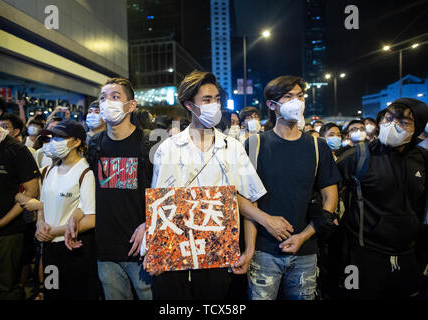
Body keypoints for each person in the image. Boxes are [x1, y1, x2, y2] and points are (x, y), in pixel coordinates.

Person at [144, 70, 294, 300]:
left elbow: (248, 198)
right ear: (189, 105)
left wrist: (249, 249)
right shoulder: (168, 148)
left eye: (216, 99)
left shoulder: (232, 147)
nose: (214, 105)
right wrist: (153, 250)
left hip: (219, 255)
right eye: (206, 100)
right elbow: (161, 204)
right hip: (175, 257)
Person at [246, 75, 341, 300]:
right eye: (288, 97)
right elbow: (244, 198)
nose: (296, 102)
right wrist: (262, 228)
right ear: (271, 104)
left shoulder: (318, 147)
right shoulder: (254, 144)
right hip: (264, 251)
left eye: (300, 96)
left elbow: (331, 199)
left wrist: (303, 236)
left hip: (306, 251)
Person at [336, 98, 428, 299]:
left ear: (418, 127)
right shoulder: (357, 156)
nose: (393, 125)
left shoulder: (423, 159)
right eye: (389, 117)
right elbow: (326, 191)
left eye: (404, 122)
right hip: (361, 256)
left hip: (408, 255)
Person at [87, 77, 153, 300]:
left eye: (115, 97)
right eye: (103, 98)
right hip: (106, 249)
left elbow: (164, 191)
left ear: (131, 105)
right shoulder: (94, 144)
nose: (107, 103)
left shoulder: (149, 143)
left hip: (142, 249)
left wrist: (149, 223)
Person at [0, 89, 40, 299]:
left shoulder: (15, 149)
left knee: (7, 290)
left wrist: (1, 222)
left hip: (7, 234)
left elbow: (32, 190)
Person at [33, 119, 98, 300]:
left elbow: (91, 218)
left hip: (74, 248)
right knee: (52, 291)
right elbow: (42, 204)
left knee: (75, 294)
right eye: (52, 137)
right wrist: (40, 224)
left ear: (77, 142)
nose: (54, 142)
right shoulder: (50, 170)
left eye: (60, 138)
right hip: (49, 247)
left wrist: (53, 231)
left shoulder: (86, 173)